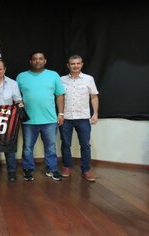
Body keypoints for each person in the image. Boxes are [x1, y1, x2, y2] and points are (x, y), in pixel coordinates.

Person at [16, 52, 65, 181]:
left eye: (40, 59)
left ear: (45, 61)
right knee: (27, 147)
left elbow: (60, 95)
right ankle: (28, 169)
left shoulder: (53, 75)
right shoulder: (21, 77)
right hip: (28, 120)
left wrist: (60, 113)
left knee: (50, 147)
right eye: (35, 59)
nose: (38, 61)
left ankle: (52, 169)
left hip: (49, 119)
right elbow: (15, 96)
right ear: (31, 61)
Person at [59, 54, 99, 182]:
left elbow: (94, 96)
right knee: (65, 144)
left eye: (78, 63)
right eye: (72, 64)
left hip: (83, 118)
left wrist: (95, 113)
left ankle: (86, 169)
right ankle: (66, 166)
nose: (75, 66)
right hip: (66, 117)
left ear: (82, 64)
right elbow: (58, 98)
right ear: (68, 65)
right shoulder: (61, 80)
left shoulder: (89, 79)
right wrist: (59, 114)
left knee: (85, 145)